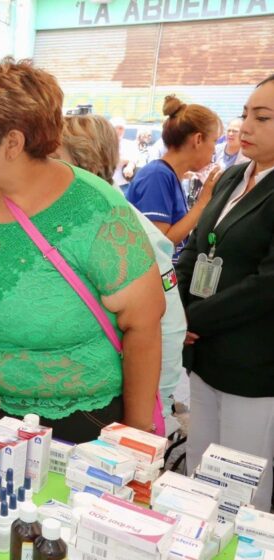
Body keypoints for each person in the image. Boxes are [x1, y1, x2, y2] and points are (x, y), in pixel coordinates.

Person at [0, 58, 164, 442]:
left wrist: (137, 437)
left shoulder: (96, 210)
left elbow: (143, 324)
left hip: (81, 426)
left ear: (12, 143)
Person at [178, 75, 274, 511]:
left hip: (252, 361)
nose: (246, 126)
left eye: (263, 117)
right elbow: (198, 246)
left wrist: (194, 321)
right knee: (200, 467)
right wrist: (178, 312)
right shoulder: (235, 175)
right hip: (205, 354)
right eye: (246, 114)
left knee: (241, 482)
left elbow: (266, 284)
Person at [54, 114, 187, 422]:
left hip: (115, 404)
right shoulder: (65, 219)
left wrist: (156, 409)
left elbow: (169, 325)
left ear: (82, 160)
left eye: (53, 157)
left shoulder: (127, 226)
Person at [126, 96, 222, 264]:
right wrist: (202, 203)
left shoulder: (168, 175)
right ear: (198, 139)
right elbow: (159, 243)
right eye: (214, 141)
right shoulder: (157, 175)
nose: (214, 149)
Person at [110, 116, 138, 192]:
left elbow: (134, 160)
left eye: (121, 128)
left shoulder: (130, 144)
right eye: (116, 128)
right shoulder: (104, 144)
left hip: (124, 185)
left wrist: (130, 166)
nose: (118, 131)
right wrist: (125, 160)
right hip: (108, 184)